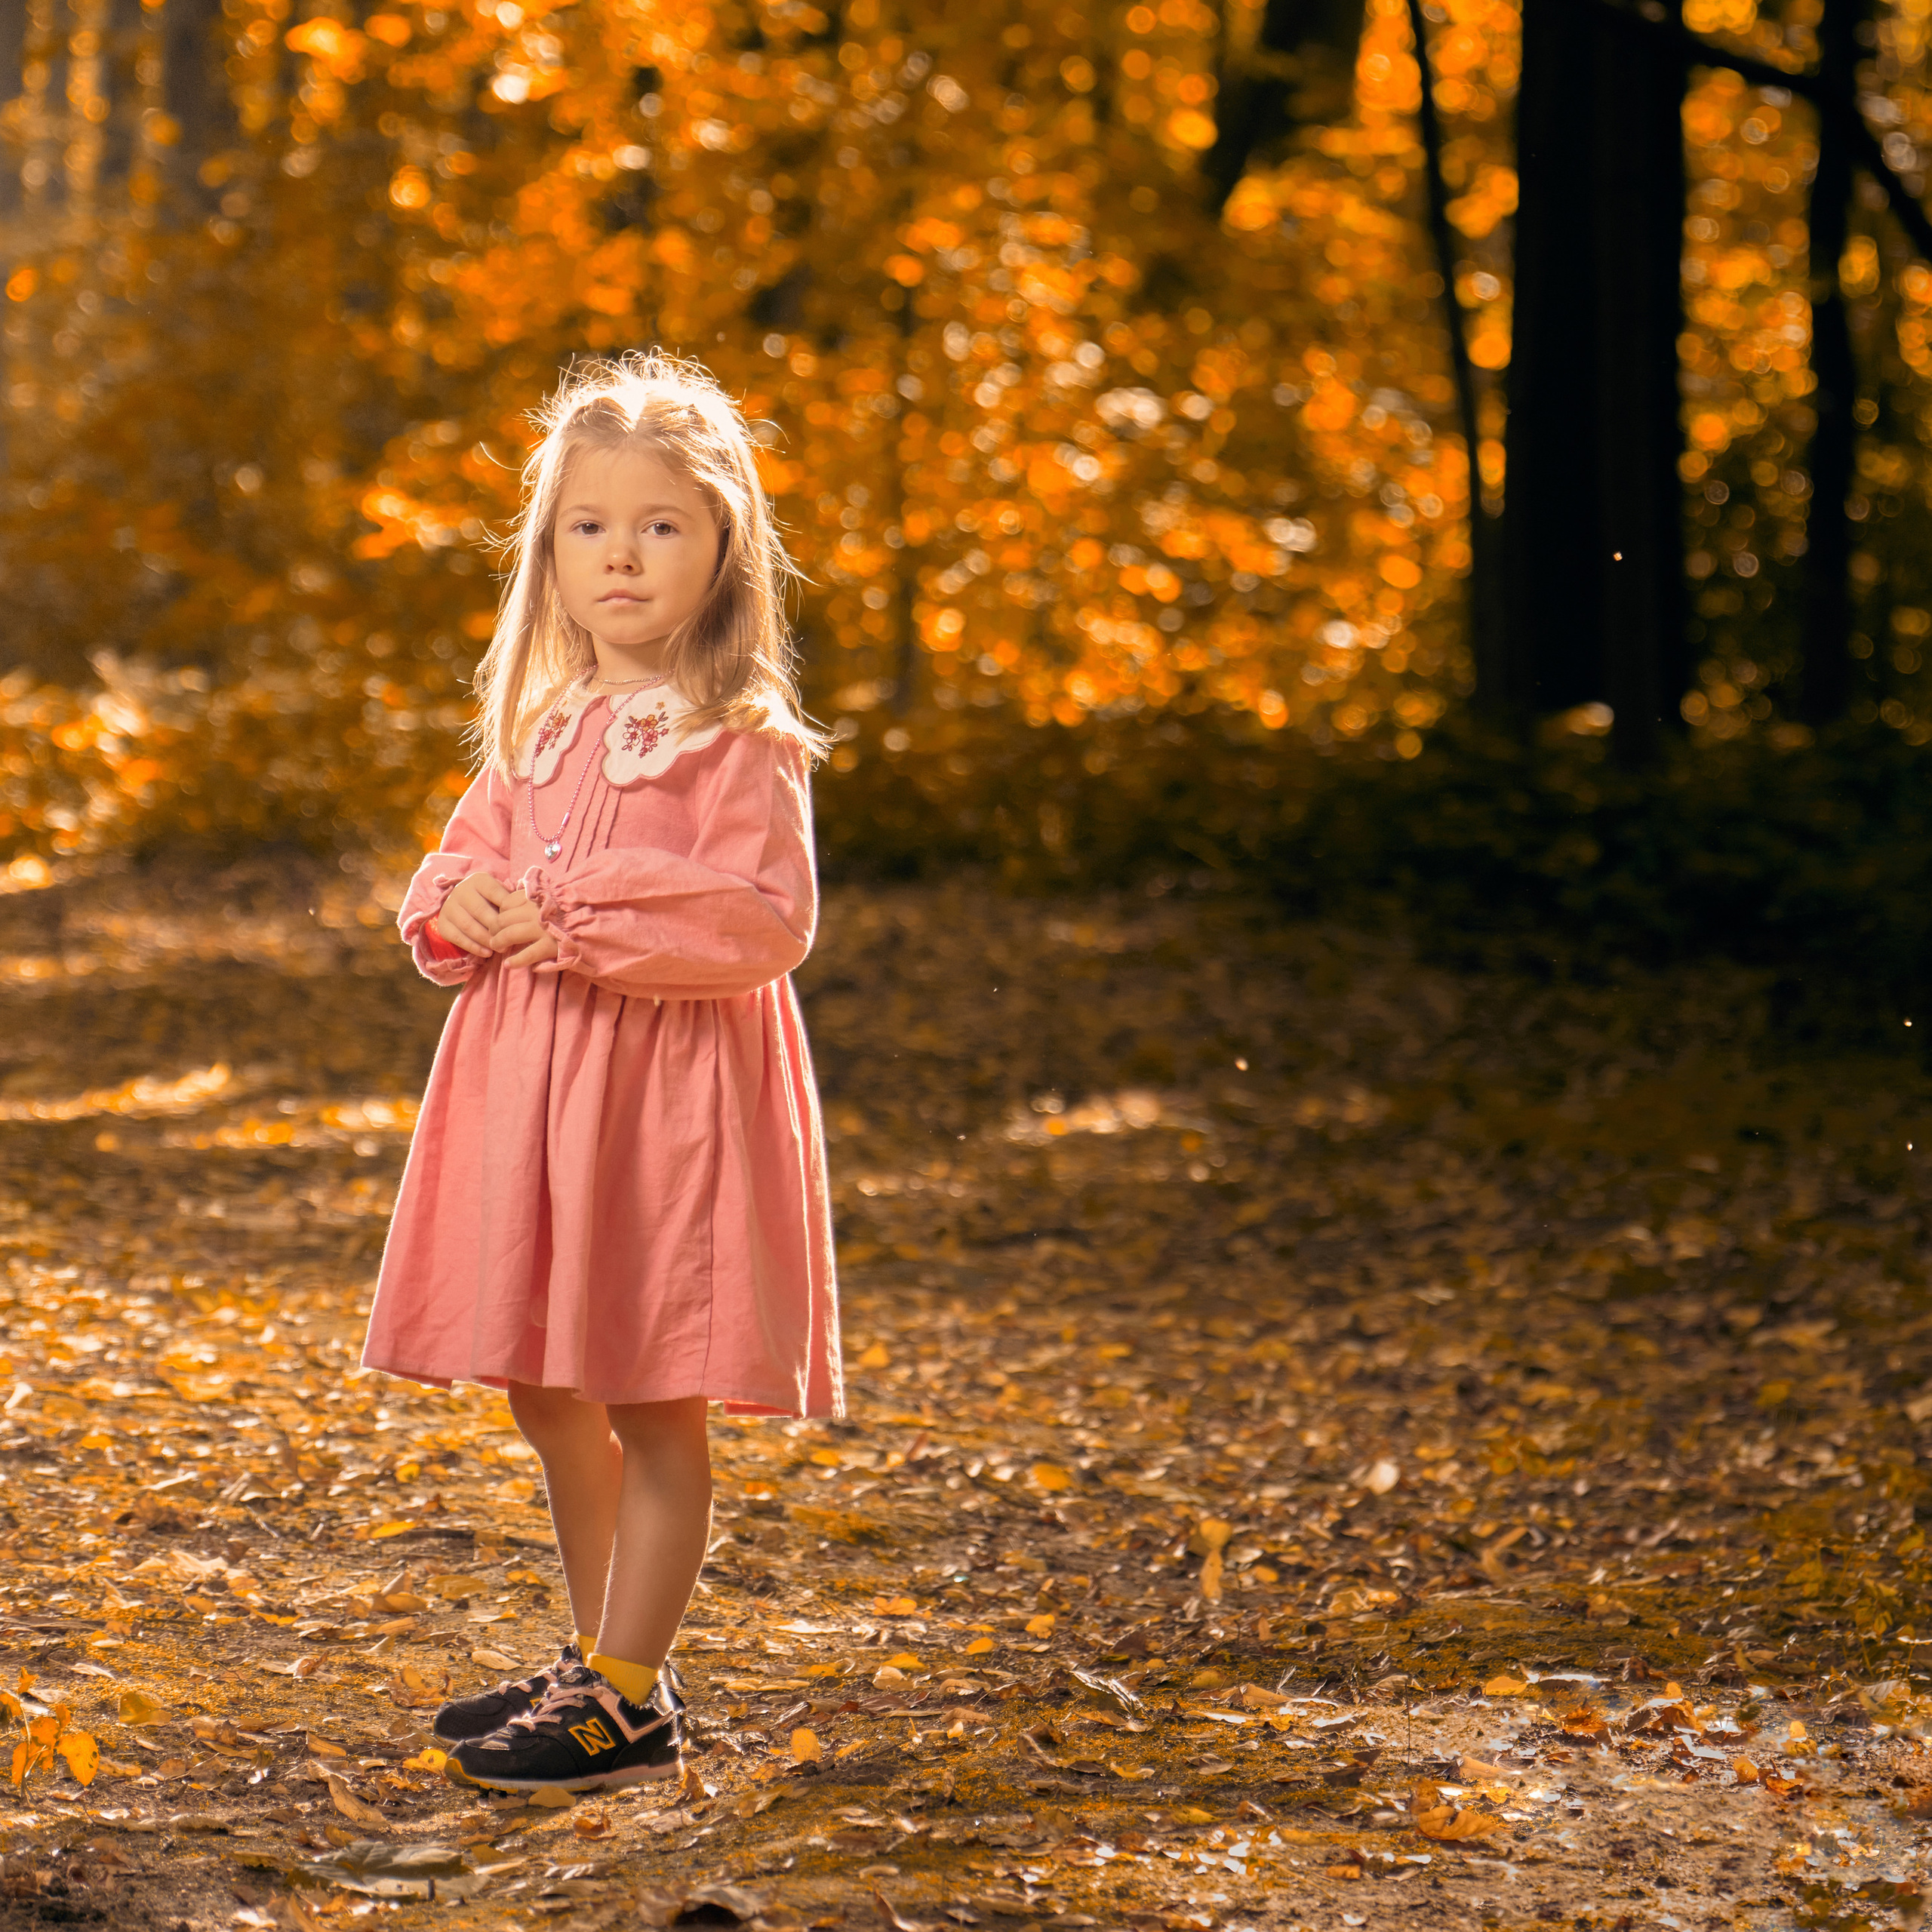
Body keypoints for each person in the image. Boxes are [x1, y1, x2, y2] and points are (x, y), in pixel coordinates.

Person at [361, 352, 842, 1794]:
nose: (621, 553)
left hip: (662, 1106)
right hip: (531, 1084)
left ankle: (631, 1688)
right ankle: (601, 1659)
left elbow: (762, 920)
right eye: (589, 525)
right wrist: (469, 906)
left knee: (646, 1388)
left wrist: (573, 915)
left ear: (722, 549)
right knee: (548, 1380)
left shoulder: (740, 742)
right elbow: (463, 861)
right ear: (549, 552)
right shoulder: (541, 722)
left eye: (660, 524)